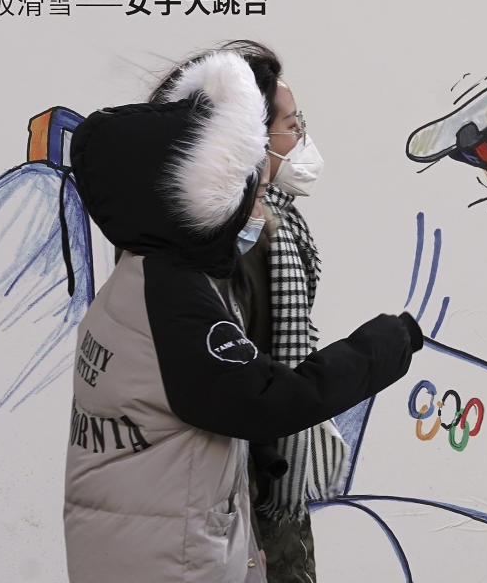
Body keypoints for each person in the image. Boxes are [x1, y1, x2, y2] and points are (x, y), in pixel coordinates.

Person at [63, 50, 424, 583]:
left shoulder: (138, 276)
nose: (258, 209)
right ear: (203, 191)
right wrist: (386, 344)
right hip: (173, 556)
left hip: (147, 541)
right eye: (249, 194)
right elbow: (263, 400)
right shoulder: (178, 298)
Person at [151, 41, 338, 583]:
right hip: (245, 495)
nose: (300, 136)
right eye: (291, 123)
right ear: (250, 138)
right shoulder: (254, 238)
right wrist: (374, 354)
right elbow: (264, 381)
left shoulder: (172, 229)